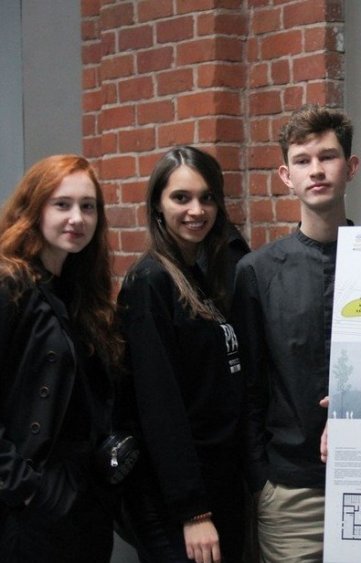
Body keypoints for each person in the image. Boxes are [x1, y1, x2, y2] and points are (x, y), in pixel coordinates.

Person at [232, 104, 360, 562]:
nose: (317, 170)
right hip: (292, 491)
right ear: (287, 176)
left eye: (328, 156)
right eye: (303, 161)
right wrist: (260, 479)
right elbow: (248, 386)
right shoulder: (257, 271)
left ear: (351, 167)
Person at [118, 146, 244, 563]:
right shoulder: (149, 282)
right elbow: (159, 406)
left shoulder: (202, 275)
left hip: (217, 482)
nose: (196, 210)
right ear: (158, 204)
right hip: (180, 503)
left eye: (207, 198)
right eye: (181, 198)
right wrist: (193, 511)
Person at [0, 155, 122, 561]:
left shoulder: (80, 291)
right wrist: (25, 488)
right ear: (33, 209)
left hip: (85, 501)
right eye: (62, 204)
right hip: (30, 506)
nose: (77, 218)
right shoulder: (10, 284)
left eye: (88, 206)